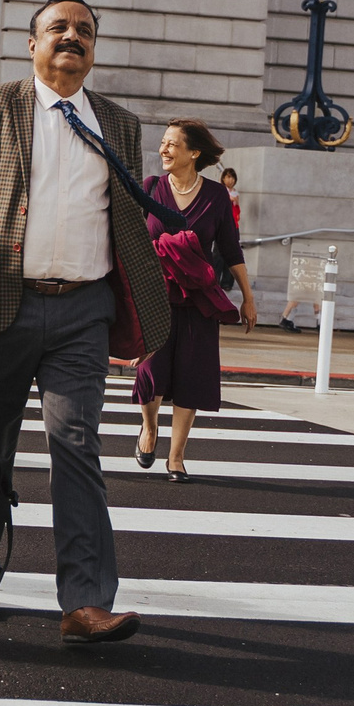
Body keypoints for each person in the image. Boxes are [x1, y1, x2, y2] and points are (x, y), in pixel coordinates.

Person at [0, 0, 171, 645]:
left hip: (83, 311)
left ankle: (85, 599)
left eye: (84, 30)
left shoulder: (118, 122)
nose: (72, 37)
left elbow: (126, 220)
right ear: (32, 43)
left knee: (76, 447)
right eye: (58, 28)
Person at [133, 120, 250, 483]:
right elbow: (131, 240)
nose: (163, 150)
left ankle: (177, 456)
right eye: (163, 143)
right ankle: (149, 429)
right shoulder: (150, 188)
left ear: (193, 153)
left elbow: (231, 249)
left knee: (191, 377)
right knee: (150, 373)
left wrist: (248, 297)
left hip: (199, 302)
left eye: (172, 144)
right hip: (156, 299)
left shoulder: (216, 196)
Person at [219, 165, 254, 331]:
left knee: (232, 257)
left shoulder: (235, 193)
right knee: (217, 255)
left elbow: (237, 211)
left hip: (233, 226)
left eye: (232, 177)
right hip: (223, 226)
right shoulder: (220, 192)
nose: (229, 180)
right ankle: (217, 280)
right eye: (227, 177)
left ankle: (227, 282)